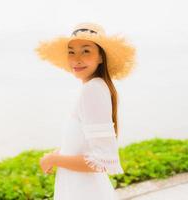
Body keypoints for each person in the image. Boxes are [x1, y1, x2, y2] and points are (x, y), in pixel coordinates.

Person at [35, 22, 136, 200]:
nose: (76, 59)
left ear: (100, 57)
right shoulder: (94, 87)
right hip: (81, 187)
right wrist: (57, 153)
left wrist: (53, 160)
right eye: (71, 52)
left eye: (86, 51)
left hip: (84, 191)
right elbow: (83, 145)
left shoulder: (93, 90)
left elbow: (100, 161)